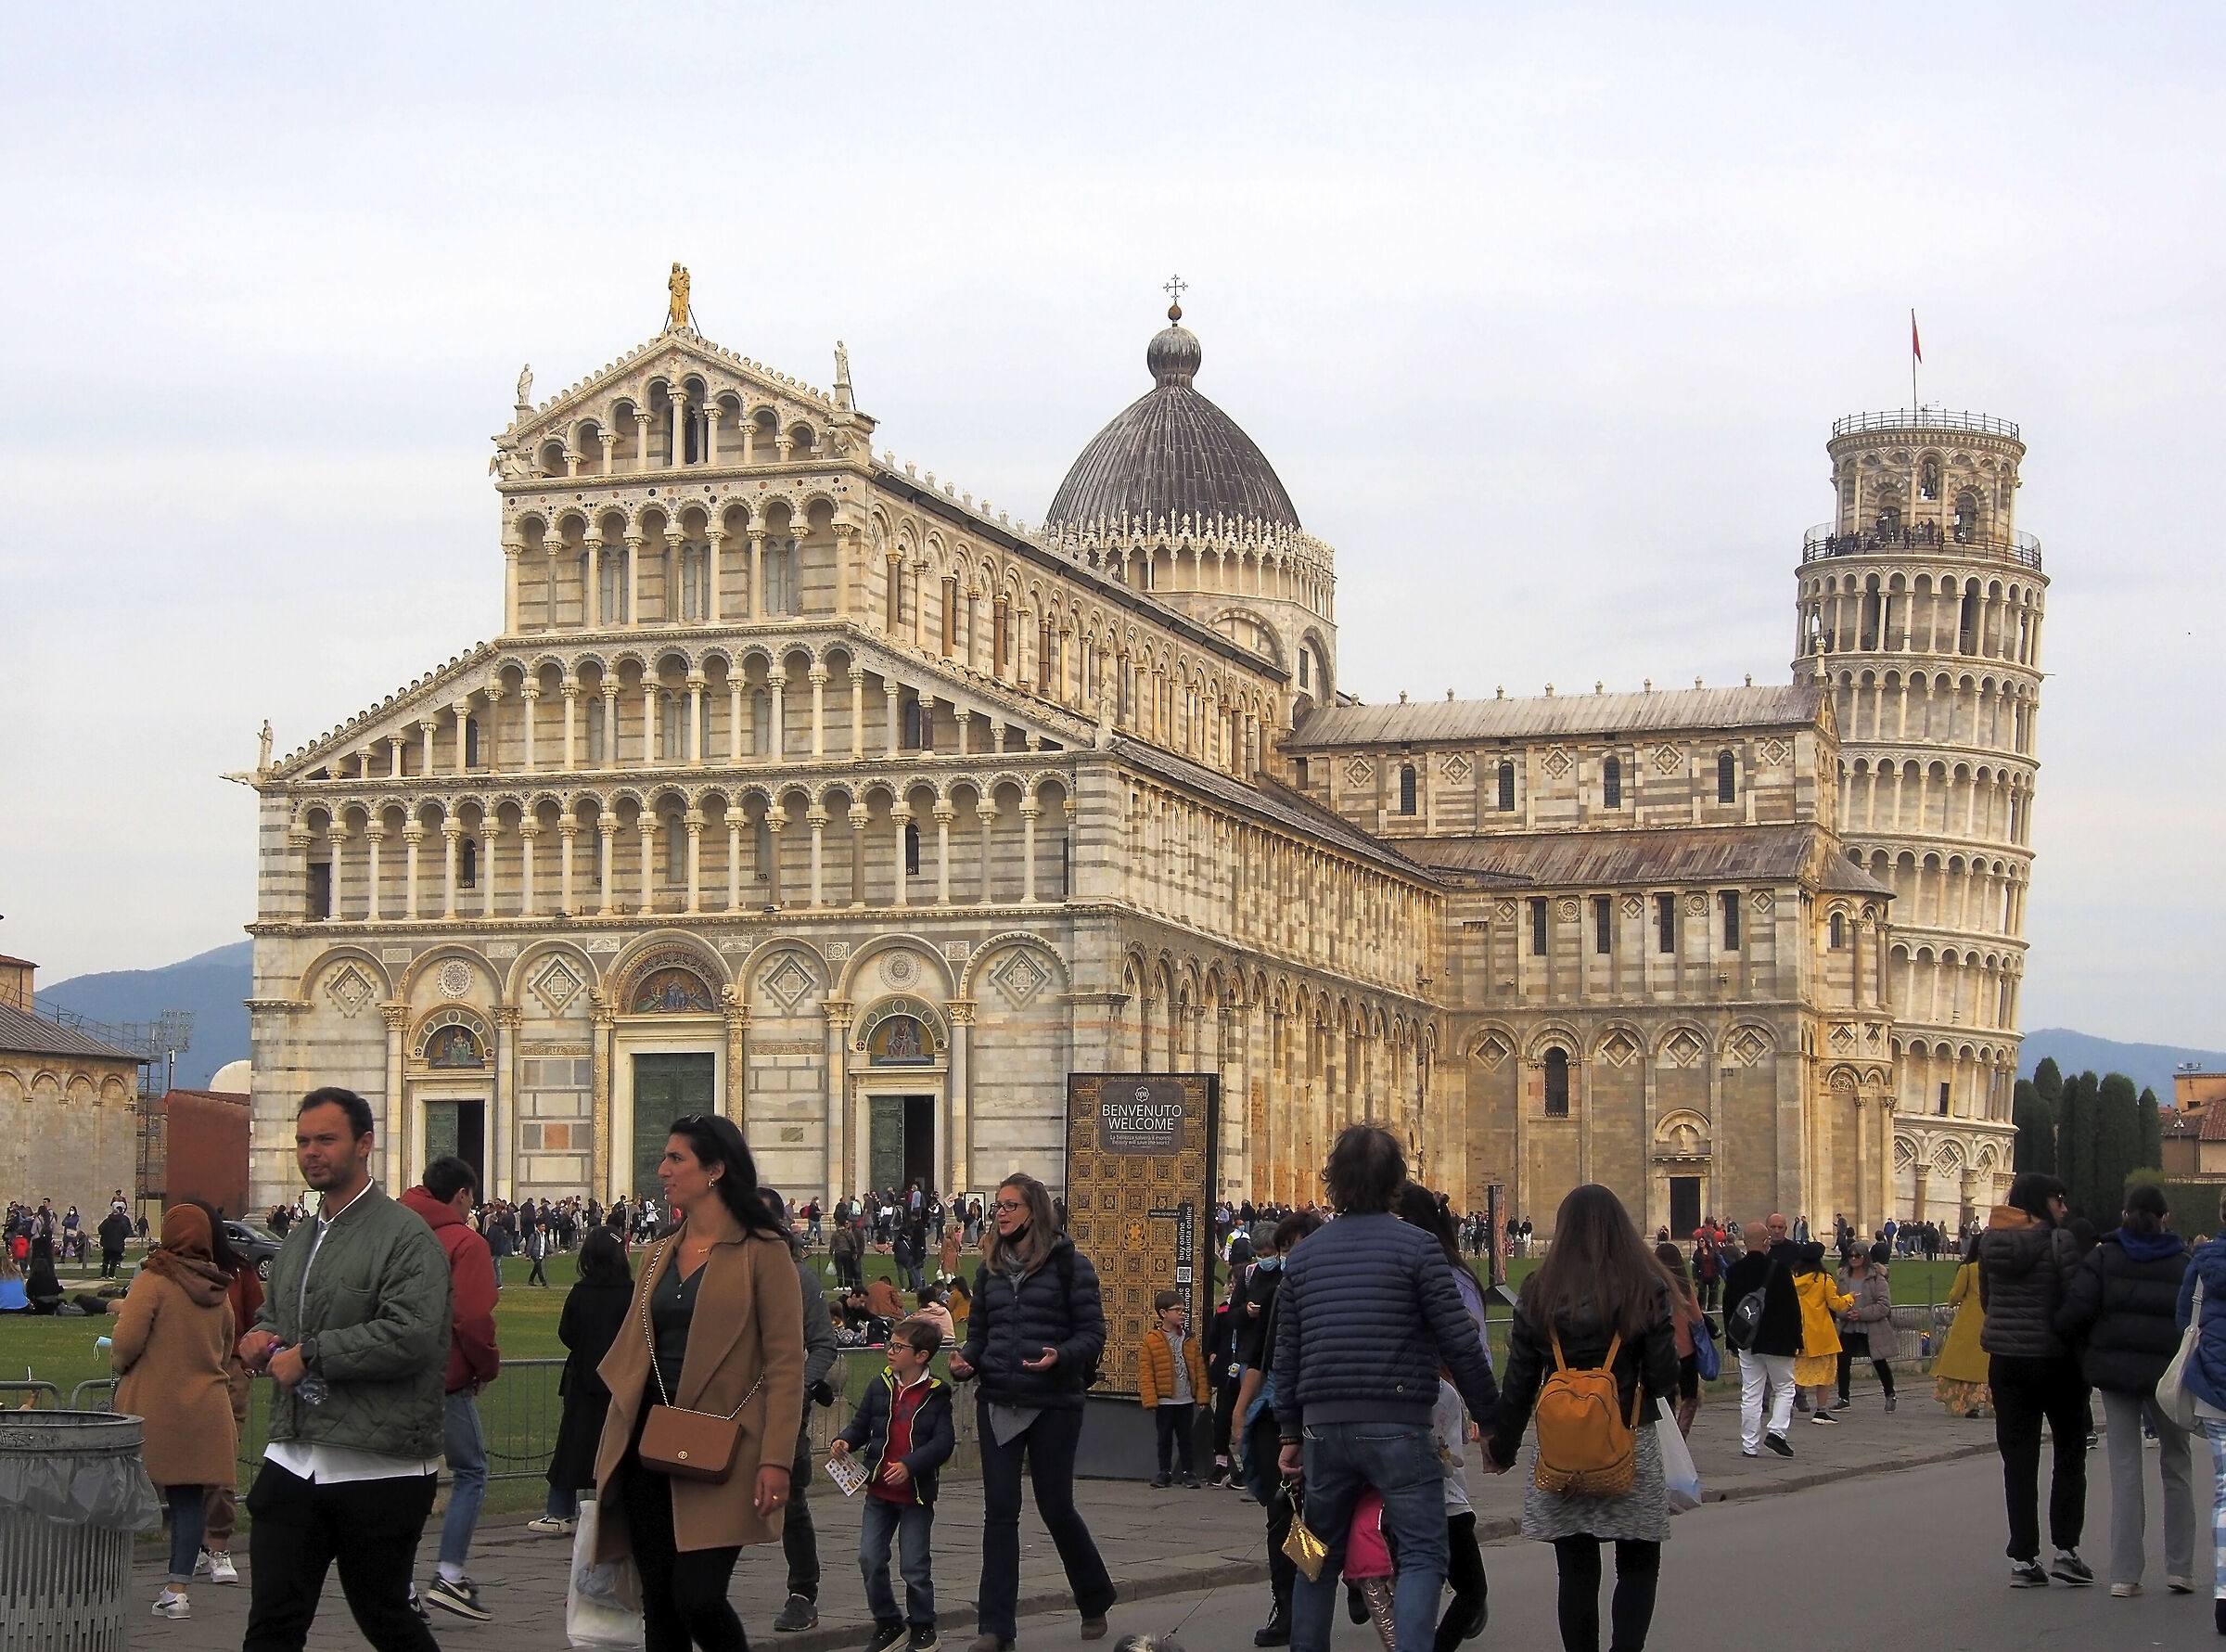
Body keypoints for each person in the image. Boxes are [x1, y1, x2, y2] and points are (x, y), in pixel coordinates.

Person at [236, 1088, 452, 1652]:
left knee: (386, 1619)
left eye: (325, 1139)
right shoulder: (300, 1238)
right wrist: (260, 1336)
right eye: (304, 1140)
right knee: (272, 1625)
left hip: (378, 1467)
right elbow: (277, 1313)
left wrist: (312, 1354)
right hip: (294, 1459)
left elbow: (413, 1335)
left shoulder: (405, 1237)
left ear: (365, 1145)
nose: (311, 1152)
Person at [1272, 1125, 1501, 1652]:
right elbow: (1460, 1343)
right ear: (1396, 1181)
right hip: (1398, 1422)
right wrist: (1491, 1421)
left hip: (1323, 1427)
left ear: (1334, 1182)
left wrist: (1288, 1434)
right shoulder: (1418, 1248)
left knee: (1314, 1557)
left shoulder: (1303, 1258)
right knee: (1422, 1553)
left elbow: (1287, 1354)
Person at [590, 1115, 805, 1652]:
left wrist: (776, 1458)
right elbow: (634, 1349)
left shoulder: (763, 1250)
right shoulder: (659, 1252)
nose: (661, 1170)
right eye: (663, 1158)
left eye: (675, 1159)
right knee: (659, 1606)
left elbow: (785, 1364)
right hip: (650, 1444)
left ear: (715, 1170)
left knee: (698, 1598)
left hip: (723, 1448)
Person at [1482, 1185, 1680, 1652]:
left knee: (1575, 1568)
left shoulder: (1539, 1290)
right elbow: (1664, 1376)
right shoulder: (1645, 1285)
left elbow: (1520, 1381)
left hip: (1562, 1447)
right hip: (1629, 1439)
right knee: (1637, 1558)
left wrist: (1503, 1447)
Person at [946, 1172, 1117, 1651]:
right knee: (999, 1513)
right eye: (998, 1205)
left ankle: (1094, 1595)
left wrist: (1060, 1356)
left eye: (1011, 1205)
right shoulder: (988, 1271)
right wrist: (967, 1361)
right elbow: (979, 1334)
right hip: (999, 1401)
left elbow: (1094, 1334)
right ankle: (996, 1629)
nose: (1000, 1213)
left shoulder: (1071, 1268)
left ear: (1033, 1212)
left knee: (1056, 1506)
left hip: (1054, 1406)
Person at [2057, 1183, 2194, 1599]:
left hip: (2115, 1373)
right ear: (2165, 1217)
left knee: (2125, 1469)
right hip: (2166, 1375)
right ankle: (2181, 1568)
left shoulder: (2104, 1256)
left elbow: (2076, 1311)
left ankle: (2125, 1573)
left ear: (2124, 1214)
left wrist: (2083, 1350)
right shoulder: (2182, 1261)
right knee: (2177, 1465)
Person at [113, 1203, 239, 1621]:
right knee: (187, 1500)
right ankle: (177, 1588)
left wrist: (120, 1363)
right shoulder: (218, 1291)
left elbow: (127, 1341)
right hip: (205, 1409)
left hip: (155, 1407)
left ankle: (102, 1576)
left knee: (119, 1489)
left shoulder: (153, 1282)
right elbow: (224, 1348)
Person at [399, 1155, 503, 1622]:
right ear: (461, 1195)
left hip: (388, 1374)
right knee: (471, 1471)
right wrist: (485, 1367)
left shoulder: (395, 1228)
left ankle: (396, 1583)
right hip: (444, 1378)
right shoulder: (466, 1242)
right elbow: (471, 1318)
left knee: (399, 1479)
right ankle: (450, 1574)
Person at [1979, 1172, 2091, 1588]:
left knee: (2019, 1460)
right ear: (2043, 1203)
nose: (2063, 1207)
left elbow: (1988, 1299)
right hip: (2055, 1357)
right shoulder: (2058, 1240)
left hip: (2006, 1359)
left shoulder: (1990, 1243)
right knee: (2068, 1454)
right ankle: (2066, 1549)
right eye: (2058, 1199)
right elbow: (2073, 1297)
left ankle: (2024, 1557)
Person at [832, 1318, 955, 1652]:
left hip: (914, 1496)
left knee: (914, 1565)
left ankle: (923, 1626)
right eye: (891, 1344)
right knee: (869, 1559)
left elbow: (944, 1443)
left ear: (921, 1356)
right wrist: (844, 1441)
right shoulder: (879, 1385)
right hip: (878, 1492)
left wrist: (910, 1466)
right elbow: (861, 1426)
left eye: (899, 1347)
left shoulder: (937, 1393)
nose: (890, 1350)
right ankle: (888, 1623)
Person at [760, 1185, 841, 1637]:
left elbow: (823, 1344)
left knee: (791, 1503)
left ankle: (803, 1593)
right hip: (733, 1405)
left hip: (786, 1405)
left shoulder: (799, 1278)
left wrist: (800, 1389)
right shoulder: (728, 1272)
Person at [532, 1226, 633, 1536]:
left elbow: (567, 1332)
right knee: (619, 1448)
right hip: (621, 1381)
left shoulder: (581, 1292)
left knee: (572, 1446)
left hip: (583, 1380)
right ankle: (616, 1512)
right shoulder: (631, 1293)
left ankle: (559, 1511)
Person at [196, 1200, 264, 1587]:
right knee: (185, 1463)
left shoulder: (239, 1270)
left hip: (231, 1371)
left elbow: (258, 1316)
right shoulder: (171, 1272)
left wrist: (251, 1357)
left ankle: (218, 1544)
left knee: (221, 1462)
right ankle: (190, 1544)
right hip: (188, 1376)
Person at [2173, 1189, 2226, 1635]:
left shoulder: (2204, 1260)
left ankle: (2225, 1595)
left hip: (2214, 1383)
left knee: (2225, 1494)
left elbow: (2182, 1320)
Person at [1721, 1219, 1800, 1457]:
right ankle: (1776, 1431)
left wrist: (1732, 1342)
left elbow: (1728, 1309)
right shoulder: (1779, 1270)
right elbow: (1792, 1308)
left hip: (1747, 1339)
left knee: (1751, 1393)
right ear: (1766, 1241)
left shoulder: (1735, 1271)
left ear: (1744, 1243)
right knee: (1785, 1387)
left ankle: (1749, 1445)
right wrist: (1798, 1340)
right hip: (1778, 1339)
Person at [1140, 1288, 1208, 1489]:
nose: (1182, 1313)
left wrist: (1202, 1397)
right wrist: (1151, 1399)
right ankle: (1164, 1471)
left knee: (1186, 1438)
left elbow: (1199, 1369)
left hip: (1185, 1398)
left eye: (1183, 1310)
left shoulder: (1189, 1338)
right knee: (1164, 1438)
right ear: (1163, 1313)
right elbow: (1146, 1372)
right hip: (1165, 1400)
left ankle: (1189, 1472)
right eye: (1177, 1310)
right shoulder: (1152, 1339)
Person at [1835, 1243, 1900, 1412]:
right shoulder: (1843, 1278)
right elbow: (1836, 1302)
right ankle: (1843, 1398)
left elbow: (1884, 1305)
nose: (1854, 1259)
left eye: (1858, 1256)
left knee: (1879, 1361)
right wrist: (1846, 1313)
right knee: (1843, 1362)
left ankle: (1890, 1394)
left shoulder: (1877, 1278)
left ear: (1865, 1257)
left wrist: (1861, 1314)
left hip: (1871, 1327)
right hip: (1849, 1326)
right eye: (1851, 1256)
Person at [1933, 1233, 1992, 1417]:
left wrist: (1952, 1300)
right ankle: (1990, 1403)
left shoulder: (1968, 1269)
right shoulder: (1995, 1269)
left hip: (1969, 1318)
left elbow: (1956, 1295)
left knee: (1963, 1362)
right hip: (1991, 1317)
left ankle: (1968, 1403)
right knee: (1987, 1362)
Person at [1790, 1243, 1850, 1423]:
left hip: (1799, 1331)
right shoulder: (1824, 1279)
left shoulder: (1792, 1278)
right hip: (1821, 1332)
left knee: (1799, 1372)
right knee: (1825, 1373)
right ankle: (1821, 1410)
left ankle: (1787, 1404)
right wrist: (1850, 1298)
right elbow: (1835, 1304)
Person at [1655, 1241, 1705, 1436]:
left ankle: (1666, 1437)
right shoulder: (1684, 1288)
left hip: (1661, 1350)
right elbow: (1698, 1319)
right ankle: (1680, 1434)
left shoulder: (1649, 1287)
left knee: (1664, 1399)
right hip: (1686, 1351)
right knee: (1689, 1396)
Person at [98, 1202, 132, 1279]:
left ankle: (103, 1275)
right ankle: (111, 1275)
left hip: (107, 1244)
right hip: (118, 1244)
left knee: (106, 1260)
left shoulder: (107, 1221)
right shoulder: (122, 1222)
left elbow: (100, 1229)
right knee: (114, 1260)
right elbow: (126, 1232)